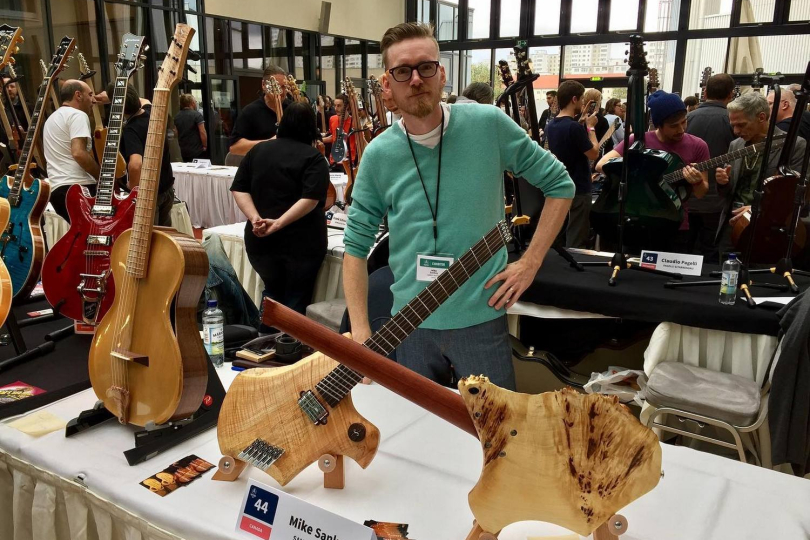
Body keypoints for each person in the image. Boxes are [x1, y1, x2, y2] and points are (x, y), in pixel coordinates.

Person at [343, 23, 574, 390]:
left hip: (480, 320)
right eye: (403, 71)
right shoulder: (379, 155)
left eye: (426, 67)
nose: (416, 79)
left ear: (442, 74)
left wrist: (530, 262)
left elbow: (560, 185)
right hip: (410, 324)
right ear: (387, 84)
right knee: (418, 435)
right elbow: (354, 248)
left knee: (495, 435)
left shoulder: (488, 125)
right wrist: (359, 333)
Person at [230, 102, 329, 331]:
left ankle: (262, 341)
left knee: (271, 291)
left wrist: (255, 218)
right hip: (301, 243)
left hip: (259, 240)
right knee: (296, 297)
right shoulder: (313, 157)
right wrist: (278, 224)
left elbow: (239, 188)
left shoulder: (258, 150)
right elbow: (310, 199)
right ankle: (285, 350)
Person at [597, 90, 709, 252]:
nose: (681, 129)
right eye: (673, 126)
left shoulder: (698, 146)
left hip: (676, 226)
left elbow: (701, 192)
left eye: (684, 122)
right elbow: (601, 165)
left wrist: (697, 180)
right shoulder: (638, 141)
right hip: (639, 222)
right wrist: (639, 178)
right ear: (658, 125)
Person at [715, 92, 806, 258]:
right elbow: (727, 194)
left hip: (769, 229)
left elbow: (797, 192)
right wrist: (723, 183)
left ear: (762, 117)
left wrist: (759, 208)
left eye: (741, 125)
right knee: (726, 277)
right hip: (733, 225)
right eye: (733, 125)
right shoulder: (736, 145)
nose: (736, 131)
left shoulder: (793, 145)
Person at [685, 73, 736, 260]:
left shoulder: (687, 119)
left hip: (687, 196)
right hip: (716, 201)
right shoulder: (732, 121)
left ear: (704, 92)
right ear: (731, 94)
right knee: (711, 253)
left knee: (682, 253)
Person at [545, 80, 600, 248]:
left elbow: (568, 142)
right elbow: (593, 153)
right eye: (582, 98)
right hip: (579, 187)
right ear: (574, 99)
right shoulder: (574, 128)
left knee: (560, 233)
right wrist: (591, 128)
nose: (584, 102)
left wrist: (581, 123)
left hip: (560, 185)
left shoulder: (551, 125)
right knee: (576, 236)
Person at [116, 83, 175, 226]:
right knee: (164, 238)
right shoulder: (151, 113)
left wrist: (132, 187)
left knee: (150, 242)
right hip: (166, 187)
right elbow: (145, 101)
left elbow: (136, 164)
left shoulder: (131, 129)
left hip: (149, 194)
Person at [42, 80, 99, 221]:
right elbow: (78, 153)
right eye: (90, 94)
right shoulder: (77, 115)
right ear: (78, 95)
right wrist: (102, 177)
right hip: (78, 187)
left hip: (57, 190)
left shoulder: (51, 119)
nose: (93, 100)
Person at [228, 65, 289, 156]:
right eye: (276, 86)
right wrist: (270, 143)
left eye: (284, 87)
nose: (280, 92)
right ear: (264, 85)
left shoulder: (293, 109)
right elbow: (235, 148)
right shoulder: (250, 112)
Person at [322, 93, 356, 169]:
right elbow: (334, 137)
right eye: (335, 105)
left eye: (339, 106)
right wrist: (320, 139)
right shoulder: (332, 119)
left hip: (348, 161)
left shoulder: (354, 122)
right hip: (334, 160)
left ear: (346, 106)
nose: (336, 108)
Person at [175, 93, 207, 162]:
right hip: (197, 150)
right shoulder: (197, 115)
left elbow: (177, 133)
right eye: (195, 102)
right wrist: (205, 145)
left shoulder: (177, 116)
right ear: (192, 103)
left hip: (183, 150)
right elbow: (202, 132)